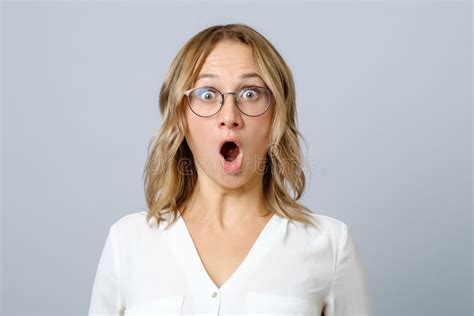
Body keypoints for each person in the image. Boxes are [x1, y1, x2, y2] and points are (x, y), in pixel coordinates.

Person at [88, 23, 373, 316]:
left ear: (277, 116)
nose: (229, 116)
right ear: (181, 117)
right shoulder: (128, 242)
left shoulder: (329, 245)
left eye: (250, 94)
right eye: (207, 94)